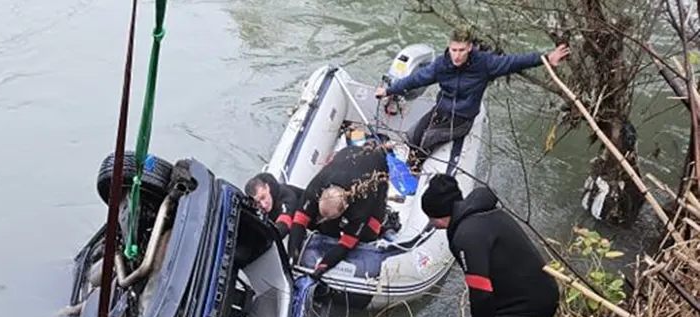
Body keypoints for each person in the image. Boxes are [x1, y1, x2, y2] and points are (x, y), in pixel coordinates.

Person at [420, 174, 559, 317]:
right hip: (529, 291)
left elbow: (480, 292)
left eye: (431, 218)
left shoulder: (466, 235)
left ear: (439, 215)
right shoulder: (483, 212)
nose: (430, 223)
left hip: (530, 305)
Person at [375, 27, 571, 171]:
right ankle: (410, 168)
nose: (457, 56)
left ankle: (415, 172)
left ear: (469, 47)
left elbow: (514, 62)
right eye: (453, 50)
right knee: (413, 135)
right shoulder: (441, 65)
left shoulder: (484, 63)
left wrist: (545, 58)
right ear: (449, 47)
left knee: (427, 140)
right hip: (441, 109)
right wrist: (390, 91)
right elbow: (417, 79)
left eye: (461, 50)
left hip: (462, 117)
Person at [287, 141, 390, 280]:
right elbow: (299, 220)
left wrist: (322, 267)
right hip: (348, 155)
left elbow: (346, 245)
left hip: (376, 174)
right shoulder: (317, 186)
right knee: (322, 224)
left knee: (371, 231)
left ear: (346, 208)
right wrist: (292, 254)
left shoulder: (362, 203)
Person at [244, 172, 303, 237]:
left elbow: (284, 223)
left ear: (267, 187)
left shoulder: (287, 196)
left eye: (263, 197)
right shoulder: (259, 207)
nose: (264, 205)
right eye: (258, 203)